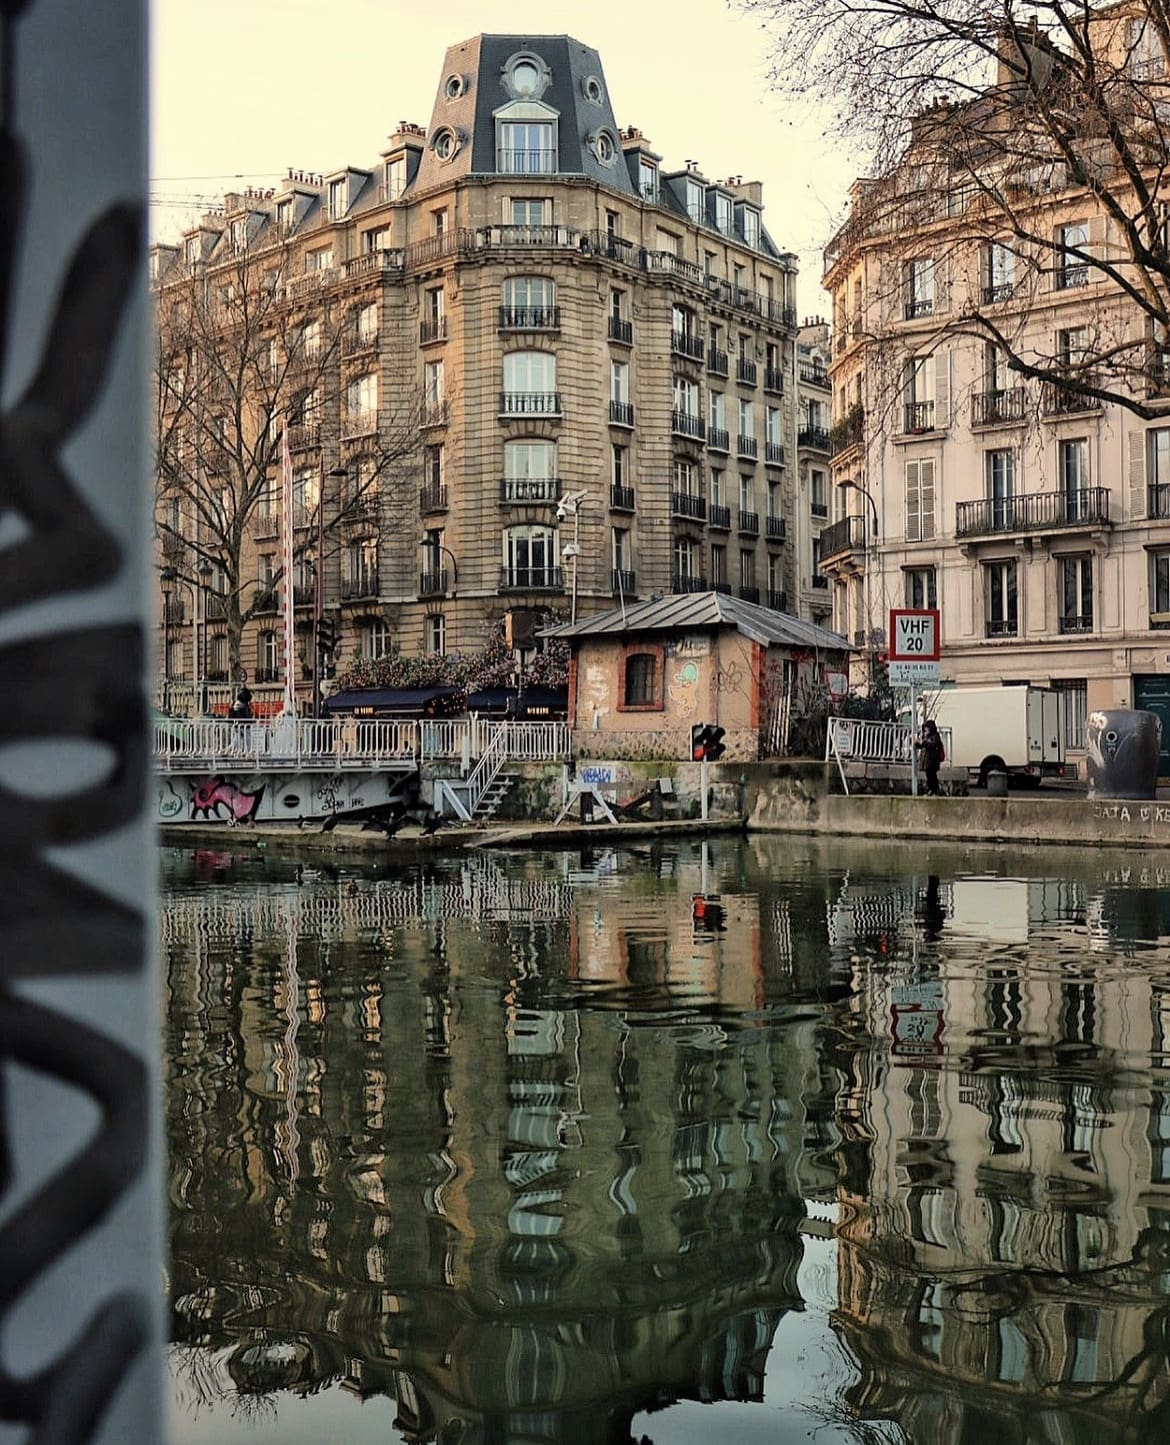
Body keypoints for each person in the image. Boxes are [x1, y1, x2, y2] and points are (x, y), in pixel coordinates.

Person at [919, 718, 944, 796]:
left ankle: (935, 790)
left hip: (933, 760)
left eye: (927, 728)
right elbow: (923, 745)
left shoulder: (935, 736)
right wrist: (918, 743)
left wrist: (923, 743)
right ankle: (931, 790)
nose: (925, 730)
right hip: (927, 760)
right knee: (929, 776)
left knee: (932, 776)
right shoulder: (926, 736)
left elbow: (932, 745)